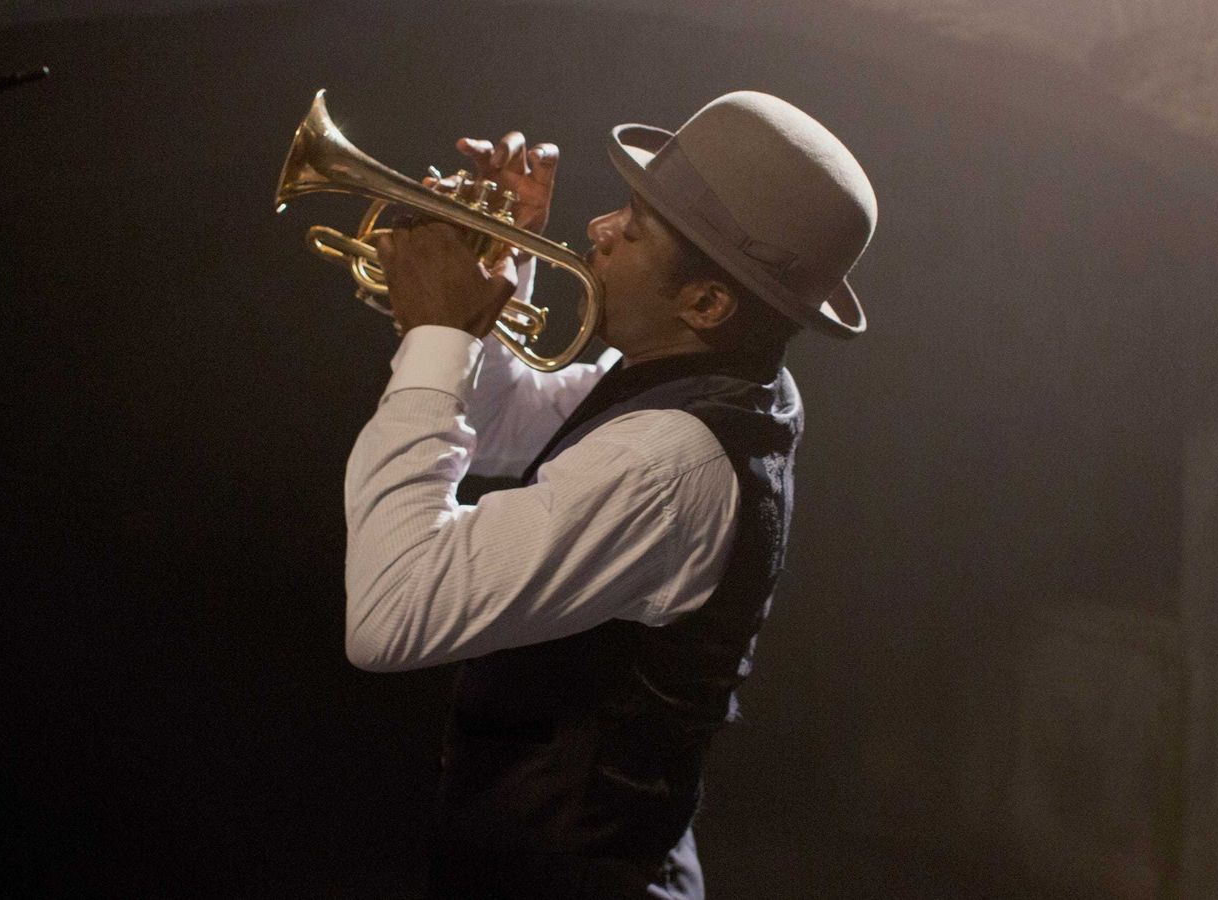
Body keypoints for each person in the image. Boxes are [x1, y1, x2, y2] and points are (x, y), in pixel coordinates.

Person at [344, 91, 877, 899]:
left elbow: (390, 612)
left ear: (705, 303)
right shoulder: (703, 379)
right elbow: (501, 430)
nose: (595, 228)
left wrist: (437, 335)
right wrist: (497, 275)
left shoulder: (670, 460)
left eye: (631, 229)